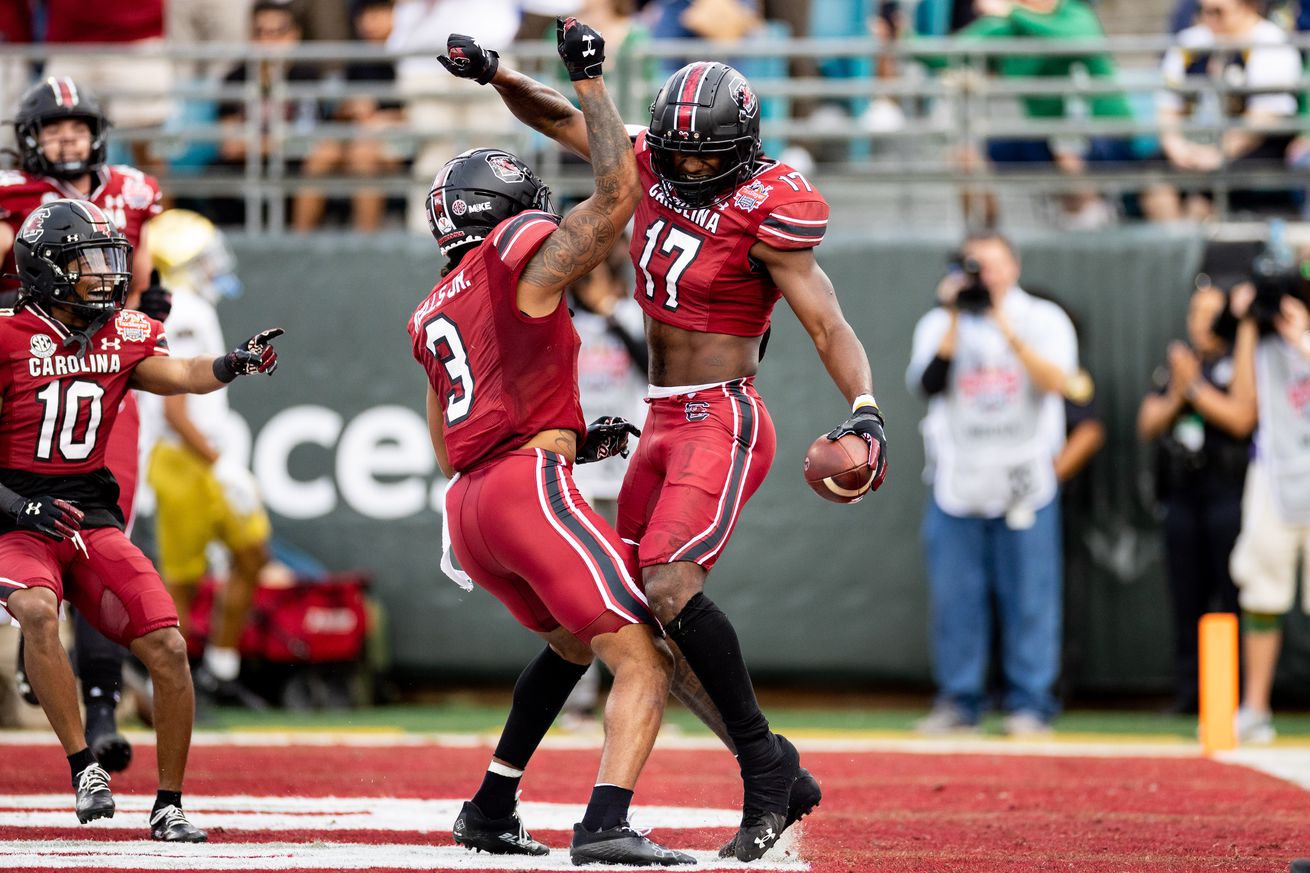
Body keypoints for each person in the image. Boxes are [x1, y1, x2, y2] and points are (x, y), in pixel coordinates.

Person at [441, 35, 888, 861]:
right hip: (659, 419)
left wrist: (863, 408)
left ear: (741, 148)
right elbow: (557, 115)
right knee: (632, 617)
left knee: (670, 585)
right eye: (673, 156)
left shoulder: (767, 203)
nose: (682, 173)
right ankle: (771, 768)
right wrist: (496, 71)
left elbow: (827, 319)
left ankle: (762, 779)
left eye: (698, 159)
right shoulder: (650, 159)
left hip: (722, 413)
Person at [415, 19, 692, 866]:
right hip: (523, 488)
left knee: (572, 642)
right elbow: (617, 196)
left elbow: (449, 439)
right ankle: (606, 821)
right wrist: (592, 84)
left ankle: (491, 805)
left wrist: (569, 436)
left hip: (470, 502)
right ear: (508, 213)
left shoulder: (432, 305)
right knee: (645, 651)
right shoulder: (515, 248)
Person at [0, 198, 283, 839]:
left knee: (169, 645)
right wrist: (19, 506)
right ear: (45, 271)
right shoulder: (7, 335)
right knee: (39, 613)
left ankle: (169, 805)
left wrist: (232, 363)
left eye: (108, 260)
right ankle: (82, 769)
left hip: (88, 514)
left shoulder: (119, 334)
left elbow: (178, 371)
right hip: (16, 518)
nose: (106, 275)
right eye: (88, 263)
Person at [1, 77, 174, 775]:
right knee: (29, 517)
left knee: (104, 531)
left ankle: (99, 707)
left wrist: (153, 302)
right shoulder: (13, 194)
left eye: (77, 128)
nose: (67, 140)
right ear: (31, 139)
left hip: (105, 372)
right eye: (54, 129)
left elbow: (149, 275)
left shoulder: (133, 190)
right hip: (32, 371)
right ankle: (34, 633)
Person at [906, 234, 1077, 737]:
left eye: (994, 266)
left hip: (1025, 478)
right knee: (957, 596)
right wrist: (958, 315)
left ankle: (1032, 702)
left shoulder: (1043, 319)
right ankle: (960, 700)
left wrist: (1005, 326)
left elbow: (1056, 382)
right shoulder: (940, 322)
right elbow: (928, 384)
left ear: (1015, 267)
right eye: (977, 267)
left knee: (1030, 596)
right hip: (959, 477)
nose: (987, 276)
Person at [142, 209, 272, 709]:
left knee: (251, 553)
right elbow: (175, 412)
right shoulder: (183, 313)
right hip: (185, 460)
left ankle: (220, 669)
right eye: (202, 258)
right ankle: (168, 687)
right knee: (183, 582)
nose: (214, 264)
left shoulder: (194, 304)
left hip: (203, 454)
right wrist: (219, 463)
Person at [1190, 251, 1310, 743]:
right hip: (1275, 476)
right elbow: (1242, 410)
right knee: (1262, 592)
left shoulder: (1297, 331)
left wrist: (1298, 338)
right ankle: (1254, 707)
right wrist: (1245, 326)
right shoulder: (1256, 341)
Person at [1137, 285, 1249, 714]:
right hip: (1183, 493)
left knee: (1233, 593)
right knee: (1187, 598)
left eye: (1211, 313)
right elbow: (1148, 423)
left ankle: (1233, 698)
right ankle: (1191, 693)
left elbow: (1241, 419)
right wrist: (1180, 390)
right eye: (1195, 313)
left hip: (1228, 491)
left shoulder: (1238, 361)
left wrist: (1196, 388)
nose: (1201, 322)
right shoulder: (1177, 366)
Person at [1157, 0, 1303, 217]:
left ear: (1248, 7)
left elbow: (1262, 121)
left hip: (1252, 148)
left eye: (1218, 12)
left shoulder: (1271, 42)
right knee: (1155, 183)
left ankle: (1194, 247)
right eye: (1203, 11)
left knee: (1203, 198)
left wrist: (1217, 154)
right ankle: (1172, 248)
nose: (1210, 19)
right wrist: (1177, 148)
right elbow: (1167, 109)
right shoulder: (1191, 40)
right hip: (1195, 145)